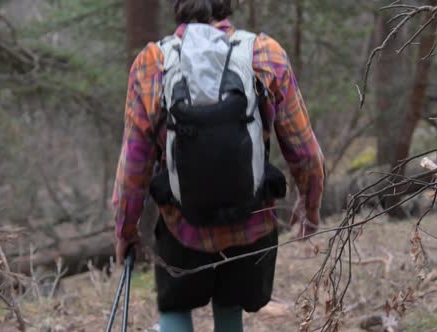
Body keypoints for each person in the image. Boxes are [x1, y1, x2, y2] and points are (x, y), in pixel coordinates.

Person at [111, 0, 324, 331]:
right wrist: (310, 207)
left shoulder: (151, 62)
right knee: (230, 307)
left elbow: (134, 169)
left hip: (181, 228)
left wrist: (125, 229)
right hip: (251, 225)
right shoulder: (265, 53)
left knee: (175, 310)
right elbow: (305, 151)